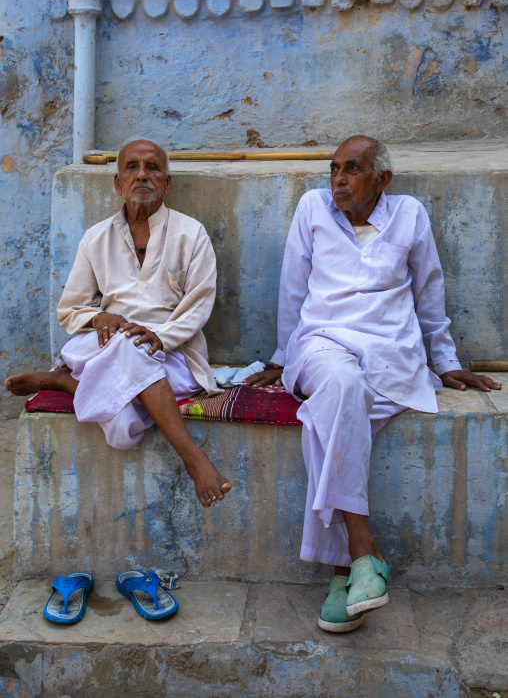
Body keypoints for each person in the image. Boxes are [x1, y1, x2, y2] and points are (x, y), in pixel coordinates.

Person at [244, 135, 500, 632]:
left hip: (391, 353)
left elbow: (429, 291)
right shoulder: (312, 208)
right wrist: (282, 357)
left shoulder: (408, 214)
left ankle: (344, 574)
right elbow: (293, 287)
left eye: (352, 169)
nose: (338, 179)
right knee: (338, 387)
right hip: (322, 344)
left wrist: (445, 362)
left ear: (382, 179)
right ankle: (363, 547)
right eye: (334, 168)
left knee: (334, 417)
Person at [5, 138, 231, 508]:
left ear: (167, 183)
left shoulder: (192, 234)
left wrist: (159, 335)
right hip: (105, 346)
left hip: (170, 352)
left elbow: (198, 306)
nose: (142, 174)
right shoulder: (96, 238)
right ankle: (195, 459)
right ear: (118, 183)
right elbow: (71, 309)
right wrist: (100, 316)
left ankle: (66, 381)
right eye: (132, 167)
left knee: (124, 428)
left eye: (153, 168)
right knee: (124, 345)